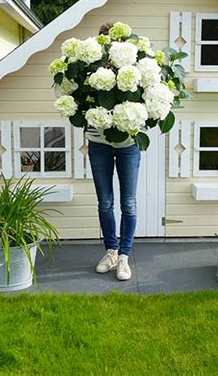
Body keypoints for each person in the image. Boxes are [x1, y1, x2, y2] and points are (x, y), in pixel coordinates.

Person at [86, 22, 141, 281]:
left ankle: (124, 257)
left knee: (128, 203)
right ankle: (111, 251)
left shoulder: (134, 68)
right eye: (105, 42)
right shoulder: (86, 69)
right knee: (105, 202)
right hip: (98, 143)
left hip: (128, 145)